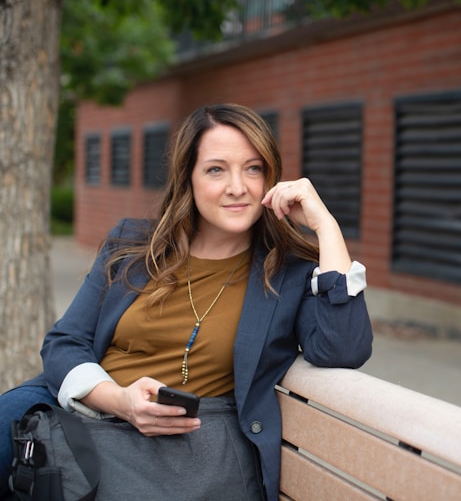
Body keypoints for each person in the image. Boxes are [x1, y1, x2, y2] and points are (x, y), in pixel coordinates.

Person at [0, 103, 373, 499]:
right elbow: (64, 342)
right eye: (216, 169)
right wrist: (121, 401)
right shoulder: (133, 244)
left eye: (253, 168)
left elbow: (344, 348)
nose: (237, 187)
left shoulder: (289, 271)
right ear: (188, 178)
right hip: (86, 419)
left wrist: (326, 226)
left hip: (185, 455)